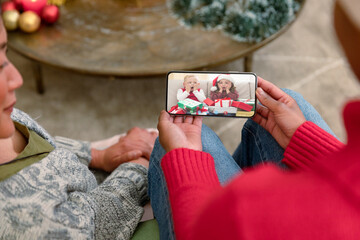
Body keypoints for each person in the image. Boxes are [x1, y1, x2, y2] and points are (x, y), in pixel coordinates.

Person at [148, 0, 360, 239]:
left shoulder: (248, 210)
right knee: (287, 106)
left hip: (219, 222)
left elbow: (206, 230)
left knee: (192, 140)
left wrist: (185, 160)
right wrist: (307, 140)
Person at [0, 17, 158, 239]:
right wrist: (138, 168)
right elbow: (94, 225)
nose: (17, 78)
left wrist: (97, 155)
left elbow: (45, 151)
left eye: (6, 52)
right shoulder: (18, 218)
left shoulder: (4, 116)